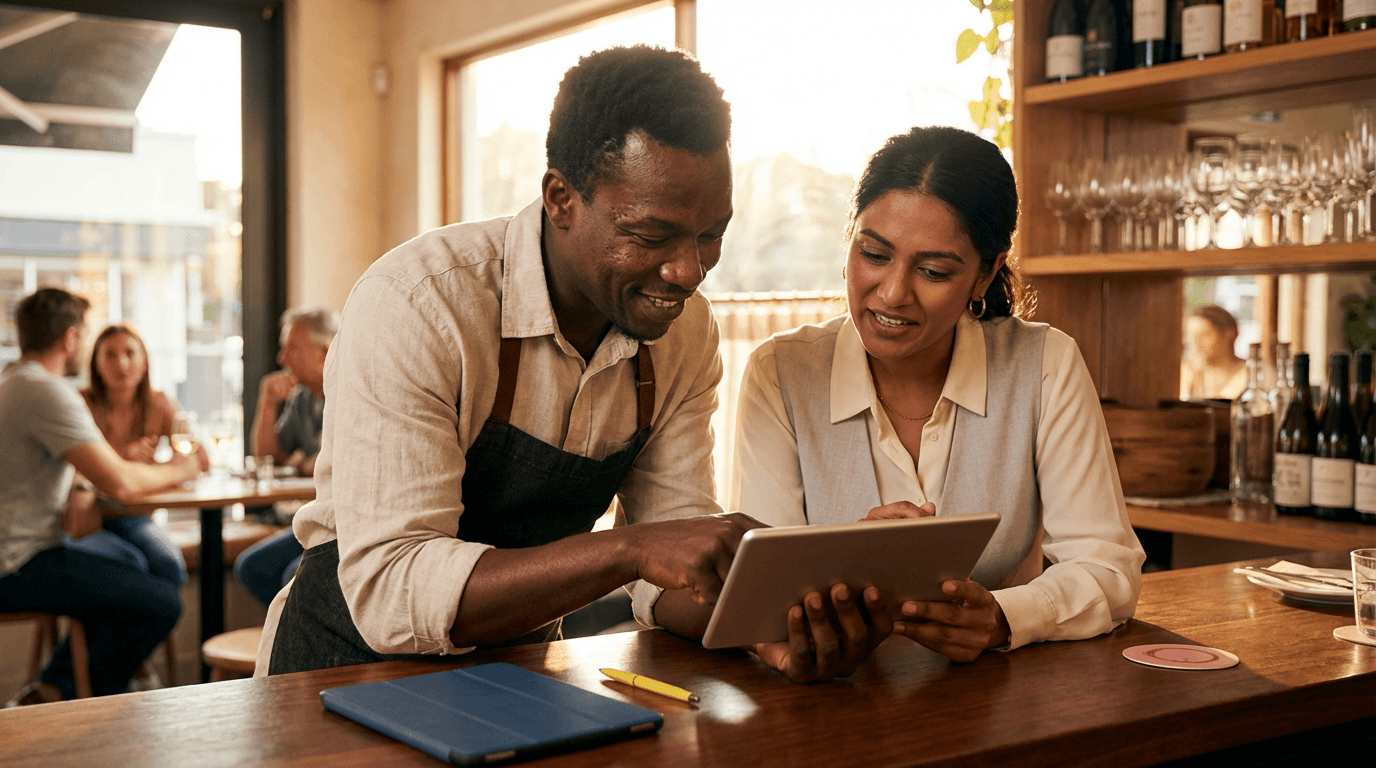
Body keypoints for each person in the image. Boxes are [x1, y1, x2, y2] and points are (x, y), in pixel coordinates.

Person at [261, 45, 886, 684]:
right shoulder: (421, 303)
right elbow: (394, 593)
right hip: (336, 677)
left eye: (711, 235)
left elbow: (671, 575)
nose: (687, 271)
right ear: (561, 198)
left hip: (519, 677)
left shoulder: (684, 333)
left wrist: (767, 625)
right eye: (650, 236)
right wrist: (631, 549)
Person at [731, 126, 1145, 662]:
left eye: (933, 271)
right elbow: (760, 594)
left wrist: (1003, 617)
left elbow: (1108, 570)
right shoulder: (782, 373)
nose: (892, 293)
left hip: (994, 693)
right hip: (832, 694)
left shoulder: (1044, 364)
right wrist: (847, 564)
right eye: (874, 254)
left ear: (985, 275)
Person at [0, 288, 199, 705]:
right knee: (160, 603)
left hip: (22, 553)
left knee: (137, 578)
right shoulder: (46, 391)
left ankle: (53, 690)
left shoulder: (13, 383)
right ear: (71, 338)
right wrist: (182, 469)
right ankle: (81, 706)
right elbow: (119, 482)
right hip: (19, 563)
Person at [71, 324, 191, 587]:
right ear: (96, 364)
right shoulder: (80, 404)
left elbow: (197, 458)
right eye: (110, 355)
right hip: (88, 519)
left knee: (169, 564)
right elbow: (71, 470)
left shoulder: (158, 402)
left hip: (136, 518)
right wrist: (124, 458)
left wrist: (152, 470)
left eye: (129, 353)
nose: (121, 364)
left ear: (145, 361)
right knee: (131, 566)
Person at [234, 306, 338, 608]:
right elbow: (269, 458)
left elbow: (335, 463)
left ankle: (301, 631)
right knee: (252, 567)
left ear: (325, 351)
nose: (282, 359)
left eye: (292, 349)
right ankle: (292, 632)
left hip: (341, 521)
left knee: (293, 577)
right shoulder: (303, 397)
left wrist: (312, 462)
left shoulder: (351, 390)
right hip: (313, 517)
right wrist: (267, 404)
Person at [1180, 303, 1246, 400]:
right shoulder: (1186, 373)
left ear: (1228, 334)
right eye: (1192, 336)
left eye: (1204, 335)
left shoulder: (1250, 376)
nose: (1196, 343)